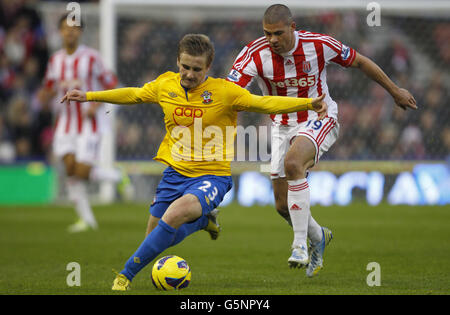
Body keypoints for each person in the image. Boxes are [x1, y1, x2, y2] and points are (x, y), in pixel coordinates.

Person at [60, 34, 328, 290]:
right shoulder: (166, 85)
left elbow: (264, 102)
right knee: (155, 238)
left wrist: (307, 104)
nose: (189, 73)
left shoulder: (226, 92)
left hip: (213, 177)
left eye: (197, 69)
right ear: (178, 62)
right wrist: (89, 96)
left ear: (208, 67)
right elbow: (134, 94)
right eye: (185, 67)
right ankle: (203, 222)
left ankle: (124, 275)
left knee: (174, 215)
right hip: (174, 174)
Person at [227, 4, 417, 277]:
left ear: (292, 27)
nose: (273, 40)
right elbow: (230, 92)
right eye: (267, 34)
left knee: (294, 164)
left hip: (318, 117)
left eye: (278, 33)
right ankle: (318, 236)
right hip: (281, 126)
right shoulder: (254, 54)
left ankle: (299, 246)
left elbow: (360, 61)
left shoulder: (319, 44)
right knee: (282, 206)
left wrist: (395, 90)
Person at [39, 14, 133, 233]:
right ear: (60, 31)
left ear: (80, 32)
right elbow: (49, 87)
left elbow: (111, 83)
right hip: (65, 122)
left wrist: (96, 103)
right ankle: (87, 220)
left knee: (81, 171)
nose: (70, 32)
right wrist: (45, 95)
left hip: (90, 122)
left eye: (74, 28)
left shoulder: (92, 57)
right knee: (70, 169)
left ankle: (117, 175)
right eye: (65, 28)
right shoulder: (55, 60)